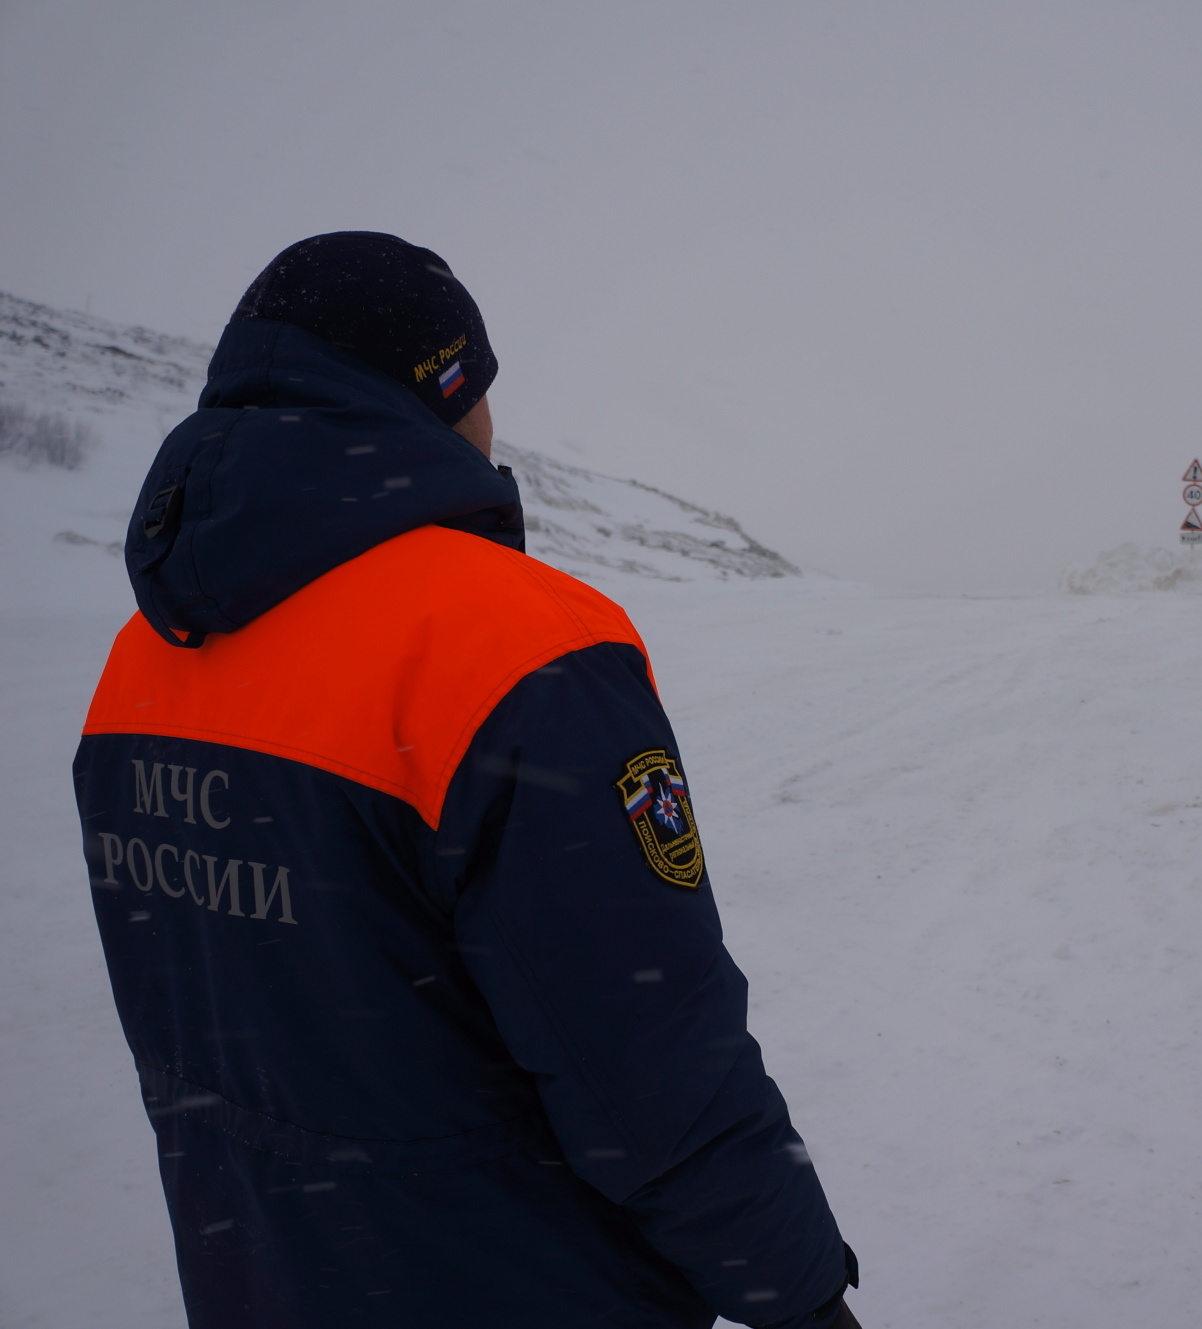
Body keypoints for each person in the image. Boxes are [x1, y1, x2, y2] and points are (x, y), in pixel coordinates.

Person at [72, 232, 861, 1329]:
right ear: (442, 390)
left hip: (258, 1277)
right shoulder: (513, 646)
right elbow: (647, 1053)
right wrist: (796, 1290)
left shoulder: (146, 660)